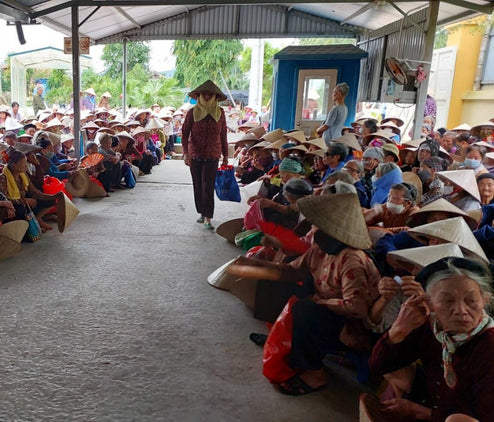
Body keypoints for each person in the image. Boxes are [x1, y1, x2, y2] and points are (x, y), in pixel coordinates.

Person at [232, 193, 379, 395]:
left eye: (316, 225)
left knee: (305, 308)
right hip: (327, 309)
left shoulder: (351, 260)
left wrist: (319, 301)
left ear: (332, 229)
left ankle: (315, 373)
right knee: (275, 281)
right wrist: (257, 266)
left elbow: (357, 308)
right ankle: (279, 338)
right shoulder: (321, 248)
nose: (312, 229)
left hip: (352, 327)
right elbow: (293, 271)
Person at [364, 257, 494, 422]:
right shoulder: (430, 326)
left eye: (471, 301)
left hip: (465, 414)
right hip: (439, 398)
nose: (461, 310)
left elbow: (486, 416)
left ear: (485, 301)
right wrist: (398, 330)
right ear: (430, 303)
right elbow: (376, 367)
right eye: (448, 301)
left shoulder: (489, 347)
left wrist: (419, 412)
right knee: (392, 355)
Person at [182, 80, 228, 230]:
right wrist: (185, 153)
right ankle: (201, 212)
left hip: (213, 155)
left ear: (215, 96)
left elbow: (223, 135)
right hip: (195, 154)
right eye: (204, 94)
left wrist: (226, 155)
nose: (207, 96)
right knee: (198, 186)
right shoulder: (192, 113)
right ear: (199, 96)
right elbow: (184, 133)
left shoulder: (220, 113)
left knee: (208, 186)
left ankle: (208, 217)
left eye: (210, 94)